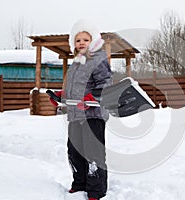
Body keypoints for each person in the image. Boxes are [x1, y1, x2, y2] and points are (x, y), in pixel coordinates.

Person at [50, 19, 112, 200]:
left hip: (93, 113)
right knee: (74, 151)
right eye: (78, 40)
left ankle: (96, 190)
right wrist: (61, 96)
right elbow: (73, 89)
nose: (82, 43)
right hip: (76, 114)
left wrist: (91, 97)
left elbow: (105, 84)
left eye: (85, 39)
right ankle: (79, 184)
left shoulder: (98, 60)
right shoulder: (76, 63)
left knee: (93, 153)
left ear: (93, 40)